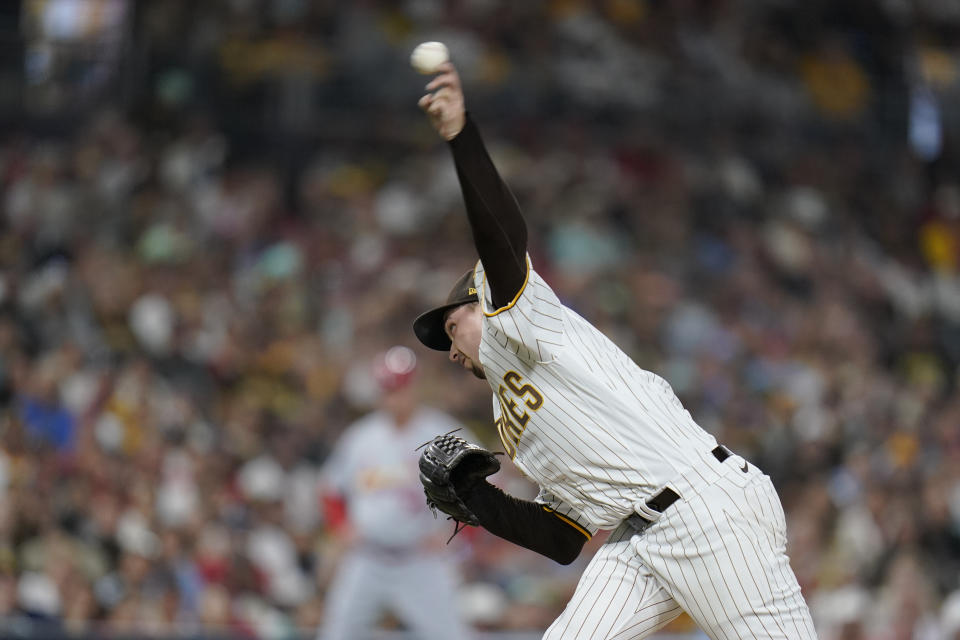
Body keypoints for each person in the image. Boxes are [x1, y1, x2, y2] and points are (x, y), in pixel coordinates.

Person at [411, 61, 818, 640]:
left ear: (485, 302)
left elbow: (502, 238)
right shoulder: (511, 417)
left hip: (707, 514)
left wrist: (461, 138)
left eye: (452, 327)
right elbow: (560, 537)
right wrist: (479, 500)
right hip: (639, 537)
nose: (450, 349)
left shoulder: (520, 325)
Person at [317, 345, 474, 640]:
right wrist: (341, 528)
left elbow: (485, 490)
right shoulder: (360, 438)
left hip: (421, 561)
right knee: (335, 634)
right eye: (388, 389)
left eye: (400, 387)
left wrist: (458, 535)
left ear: (415, 385)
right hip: (367, 558)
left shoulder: (445, 435)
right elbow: (330, 490)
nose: (394, 396)